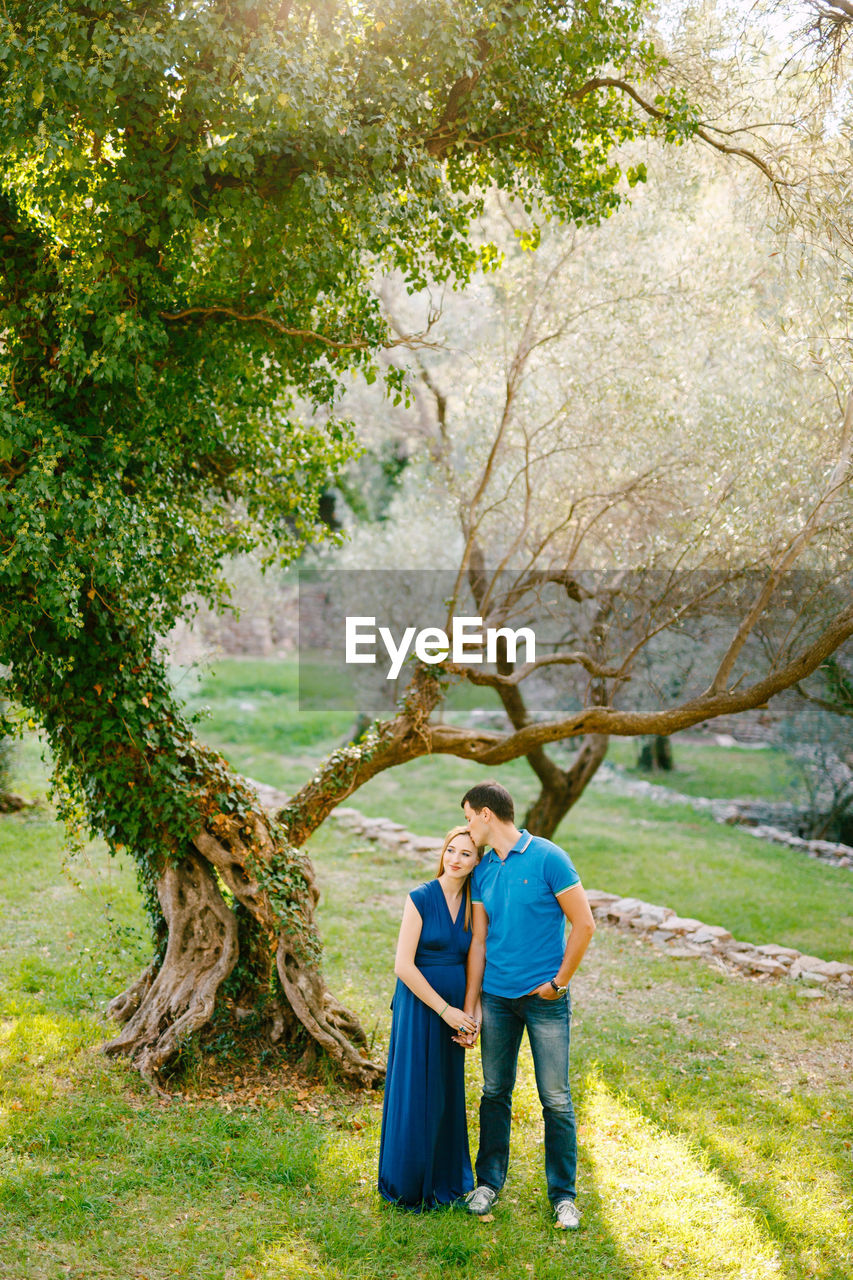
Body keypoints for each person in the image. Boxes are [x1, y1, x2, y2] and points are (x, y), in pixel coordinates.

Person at [459, 781, 596, 1231]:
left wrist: (558, 983)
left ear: (484, 814)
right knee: (494, 1092)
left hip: (544, 1001)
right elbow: (478, 940)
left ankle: (564, 1197)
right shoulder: (482, 871)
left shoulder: (548, 858)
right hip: (496, 998)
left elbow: (584, 924)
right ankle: (488, 1184)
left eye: (467, 817)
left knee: (555, 1098)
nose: (466, 828)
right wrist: (473, 1004)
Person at [377, 825, 482, 1210]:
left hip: (457, 1008)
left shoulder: (475, 906)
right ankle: (407, 1182)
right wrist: (445, 1010)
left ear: (476, 863)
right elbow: (403, 966)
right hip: (422, 1007)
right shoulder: (420, 897)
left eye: (465, 854)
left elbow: (477, 960)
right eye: (451, 850)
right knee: (415, 1087)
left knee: (445, 1091)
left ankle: (446, 1180)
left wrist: (471, 1016)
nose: (455, 859)